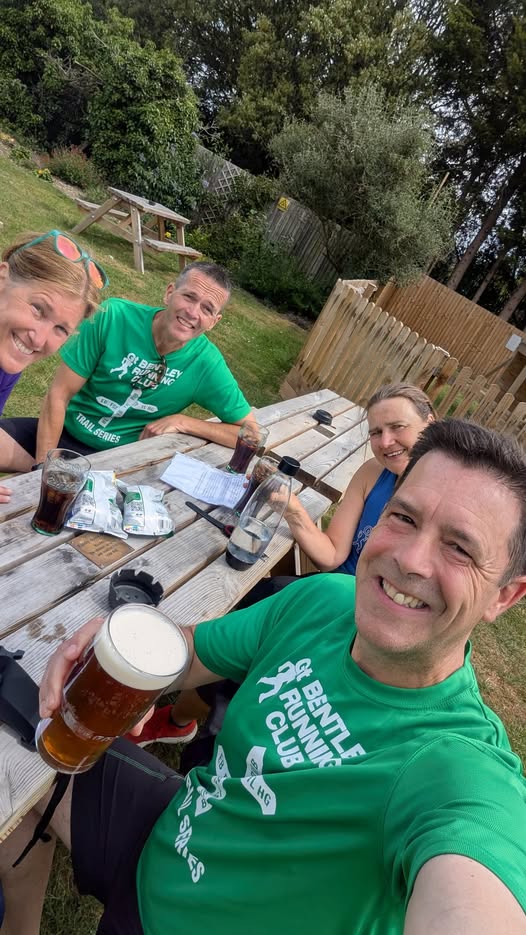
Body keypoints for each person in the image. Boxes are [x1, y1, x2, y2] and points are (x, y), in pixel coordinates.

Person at [2, 419, 526, 935]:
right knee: (22, 731)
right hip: (176, 823)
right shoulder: (323, 601)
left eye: (460, 548)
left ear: (505, 595)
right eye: (404, 517)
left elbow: (472, 893)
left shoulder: (457, 768)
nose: (410, 558)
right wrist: (120, 643)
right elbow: (191, 651)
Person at [142, 382, 435, 749]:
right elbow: (331, 555)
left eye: (398, 427)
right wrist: (291, 506)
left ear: (429, 422)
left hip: (373, 622)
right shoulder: (373, 473)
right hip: (326, 594)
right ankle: (179, 719)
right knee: (254, 606)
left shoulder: (443, 502)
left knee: (272, 632)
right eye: (376, 432)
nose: (386, 441)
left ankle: (216, 733)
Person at [0, 261, 254, 486]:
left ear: (214, 322)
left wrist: (183, 422)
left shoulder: (206, 363)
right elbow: (59, 394)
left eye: (207, 309)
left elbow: (251, 434)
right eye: (189, 297)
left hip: (121, 460)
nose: (193, 312)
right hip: (63, 432)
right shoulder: (113, 317)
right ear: (169, 293)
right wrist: (45, 469)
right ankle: (60, 473)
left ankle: (73, 477)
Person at [0, 230, 105, 504]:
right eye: (38, 309)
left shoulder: (7, 358)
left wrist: (41, 471)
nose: (39, 340)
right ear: (2, 279)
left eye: (60, 329)